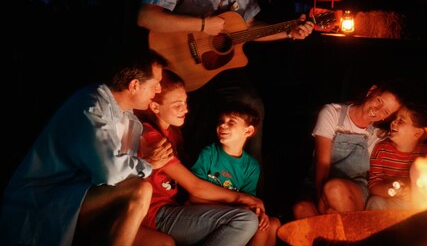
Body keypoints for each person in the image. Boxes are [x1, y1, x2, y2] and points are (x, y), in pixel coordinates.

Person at [137, 0, 315, 173]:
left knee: (251, 107)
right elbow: (146, 16)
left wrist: (289, 32)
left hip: (219, 69)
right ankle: (186, 191)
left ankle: (247, 185)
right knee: (188, 125)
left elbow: (250, 28)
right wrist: (201, 24)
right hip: (178, 65)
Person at [0, 49, 176, 246]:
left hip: (79, 204)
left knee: (163, 243)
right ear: (135, 85)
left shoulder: (129, 119)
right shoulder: (91, 106)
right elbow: (110, 172)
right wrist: (147, 163)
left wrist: (145, 158)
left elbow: (121, 178)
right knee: (140, 189)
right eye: (155, 83)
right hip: (45, 202)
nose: (159, 90)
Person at [135, 69, 264, 246]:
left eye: (185, 102)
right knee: (245, 221)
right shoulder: (150, 136)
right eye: (177, 104)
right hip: (155, 214)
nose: (186, 109)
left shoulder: (173, 133)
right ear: (155, 107)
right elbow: (194, 187)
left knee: (260, 225)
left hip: (173, 209)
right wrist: (244, 199)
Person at [292, 80, 404, 220]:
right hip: (318, 182)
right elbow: (322, 163)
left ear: (387, 117)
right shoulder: (333, 113)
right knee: (301, 209)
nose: (377, 110)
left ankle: (353, 236)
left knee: (334, 189)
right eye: (378, 100)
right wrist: (322, 201)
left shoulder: (378, 134)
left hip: (354, 190)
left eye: (385, 111)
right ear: (371, 91)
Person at [190, 101, 281, 246]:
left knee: (272, 223)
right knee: (256, 222)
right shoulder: (209, 154)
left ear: (248, 131)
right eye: (221, 121)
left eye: (231, 122)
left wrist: (259, 213)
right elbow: (194, 197)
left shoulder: (251, 166)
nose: (222, 125)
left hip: (234, 213)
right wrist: (238, 208)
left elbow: (249, 201)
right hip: (204, 213)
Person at [365, 100, 427, 211]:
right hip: (391, 202)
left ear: (417, 133)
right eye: (395, 118)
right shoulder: (381, 150)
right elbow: (374, 185)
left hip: (416, 205)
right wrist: (390, 190)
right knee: (375, 201)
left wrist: (410, 191)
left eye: (401, 121)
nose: (393, 122)